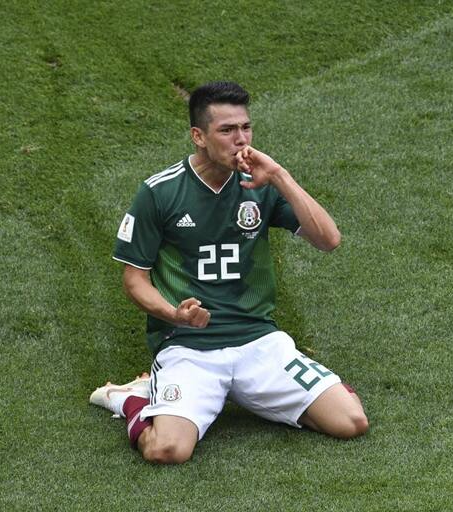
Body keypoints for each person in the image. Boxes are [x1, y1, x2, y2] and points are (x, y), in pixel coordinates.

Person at [89, 81, 368, 464]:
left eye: (246, 127)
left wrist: (280, 176)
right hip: (189, 347)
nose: (241, 139)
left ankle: (242, 392)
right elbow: (134, 280)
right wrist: (174, 314)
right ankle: (134, 399)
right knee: (167, 450)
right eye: (227, 130)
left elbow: (329, 239)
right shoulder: (160, 192)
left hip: (258, 342)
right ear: (198, 136)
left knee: (352, 422)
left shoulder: (261, 184)